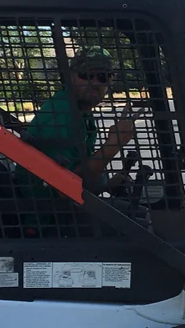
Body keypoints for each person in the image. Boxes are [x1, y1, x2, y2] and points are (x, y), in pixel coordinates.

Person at [14, 47, 140, 233]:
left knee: (139, 215)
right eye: (86, 75)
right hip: (49, 220)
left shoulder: (81, 114)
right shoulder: (62, 115)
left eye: (103, 77)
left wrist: (106, 184)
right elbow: (65, 188)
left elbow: (79, 173)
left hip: (64, 208)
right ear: (72, 77)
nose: (94, 83)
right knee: (141, 224)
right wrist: (113, 145)